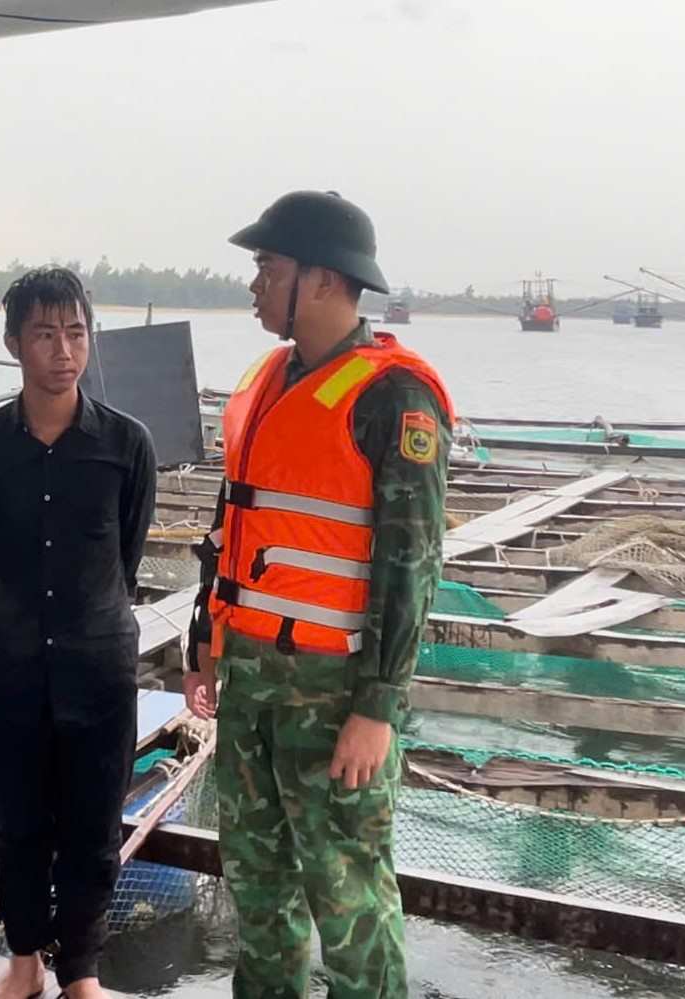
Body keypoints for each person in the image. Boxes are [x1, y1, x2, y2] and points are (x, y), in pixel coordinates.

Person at [185, 191, 454, 998]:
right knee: (258, 889)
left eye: (268, 267)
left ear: (325, 280)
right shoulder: (269, 379)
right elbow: (235, 524)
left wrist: (379, 706)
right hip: (253, 684)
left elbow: (412, 563)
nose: (255, 284)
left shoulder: (393, 399)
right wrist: (206, 638)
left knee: (348, 897)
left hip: (334, 694)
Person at [0, 267, 157, 999]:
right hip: (8, 665)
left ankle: (82, 971)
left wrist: (83, 616)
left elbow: (124, 556)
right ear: (13, 344)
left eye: (75, 332)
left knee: (95, 825)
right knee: (19, 821)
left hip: (98, 665)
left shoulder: (125, 445)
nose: (63, 350)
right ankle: (24, 959)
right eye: (44, 333)